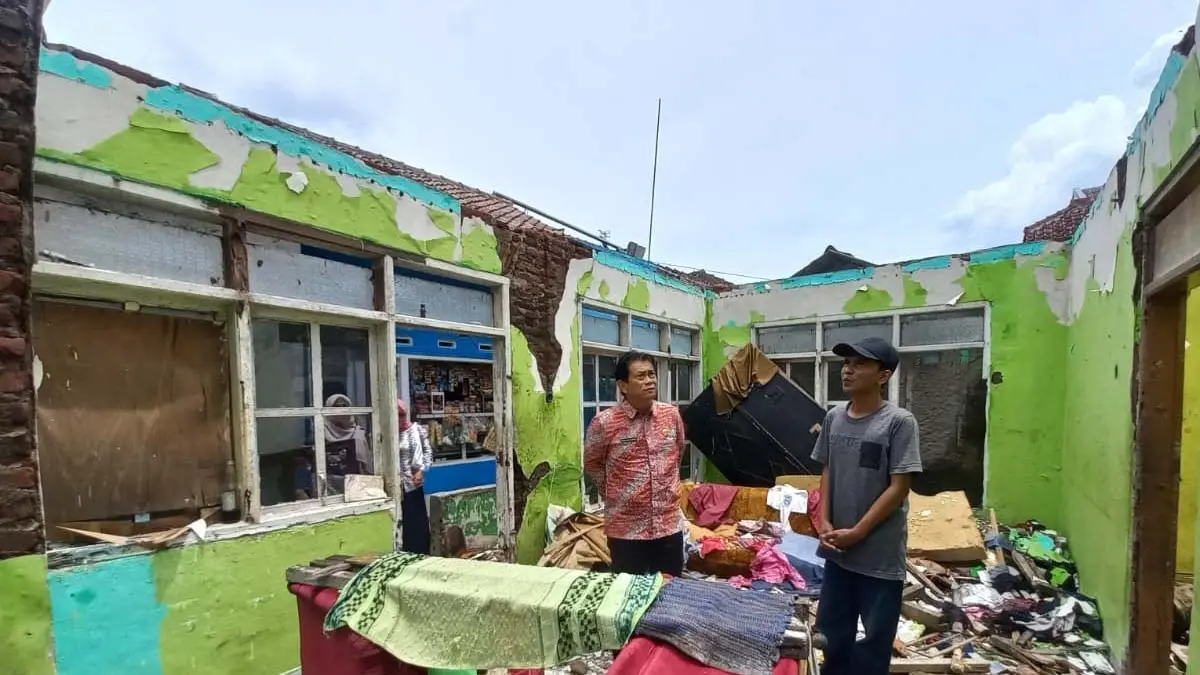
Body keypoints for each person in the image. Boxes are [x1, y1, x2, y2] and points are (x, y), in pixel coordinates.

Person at [810, 336, 922, 675]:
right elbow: (828, 469)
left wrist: (857, 532)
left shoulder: (899, 422)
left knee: (874, 646)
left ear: (883, 375)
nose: (848, 370)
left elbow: (899, 487)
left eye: (859, 364)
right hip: (838, 553)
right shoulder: (833, 418)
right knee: (831, 638)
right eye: (846, 363)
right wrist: (825, 520)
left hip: (878, 558)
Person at [584, 350, 687, 575]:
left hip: (668, 526)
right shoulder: (605, 423)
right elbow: (592, 464)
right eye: (640, 376)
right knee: (628, 595)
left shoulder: (671, 416)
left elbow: (677, 453)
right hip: (626, 531)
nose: (649, 381)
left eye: (651, 374)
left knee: (672, 593)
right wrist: (618, 494)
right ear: (623, 385)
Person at [396, 399, 433, 554]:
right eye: (396, 414)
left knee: (416, 522)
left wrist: (421, 470)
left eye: (402, 414)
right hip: (396, 484)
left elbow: (428, 453)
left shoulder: (416, 430)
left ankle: (419, 552)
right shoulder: (389, 433)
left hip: (412, 485)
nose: (400, 418)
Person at [323, 394, 372, 496]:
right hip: (329, 487)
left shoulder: (358, 433)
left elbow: (366, 466)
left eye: (344, 406)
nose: (341, 409)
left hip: (356, 486)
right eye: (336, 406)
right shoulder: (322, 431)